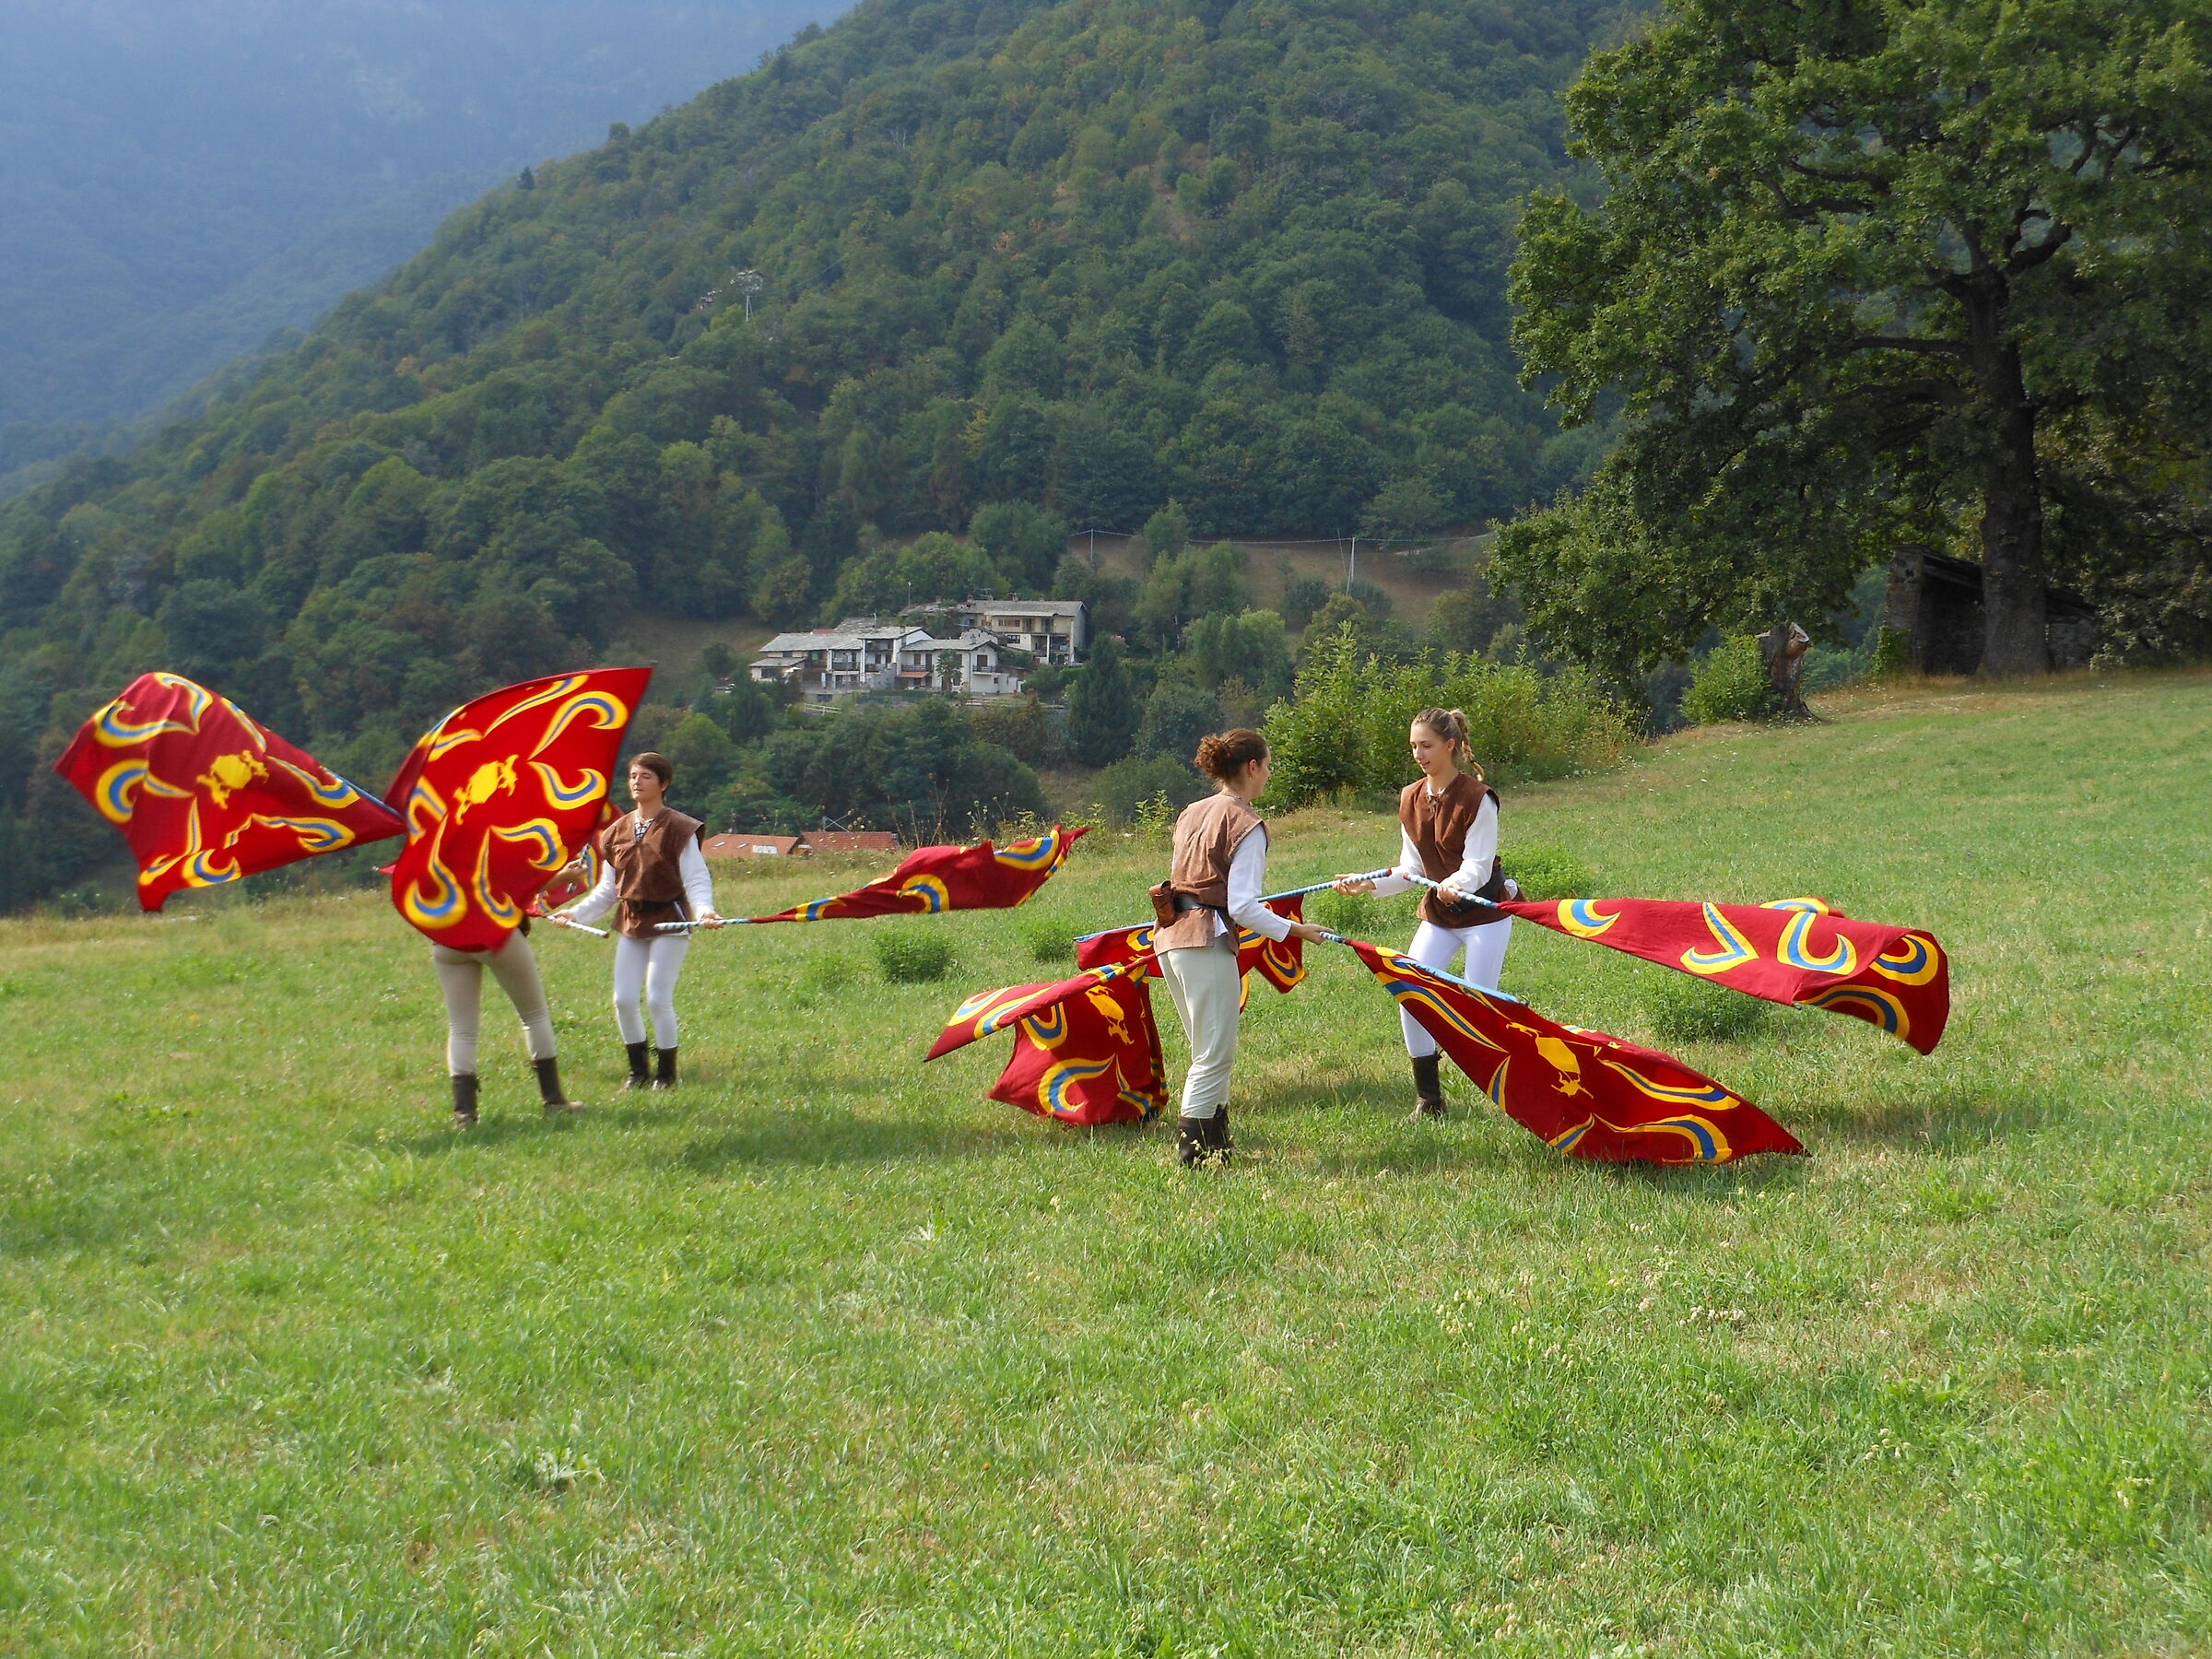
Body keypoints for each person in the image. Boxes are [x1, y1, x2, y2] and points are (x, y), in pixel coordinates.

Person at [1152, 728, 1329, 1167]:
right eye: (1267, 767)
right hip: (1205, 937)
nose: (1268, 775)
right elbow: (1244, 905)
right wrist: (1294, 931)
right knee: (1213, 1054)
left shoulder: (1192, 811)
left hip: (1171, 938)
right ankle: (1193, 1155)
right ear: (1251, 767)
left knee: (1207, 1048)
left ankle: (1218, 1144)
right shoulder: (1246, 823)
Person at [1334, 706, 1516, 1118]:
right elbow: (1411, 870)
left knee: (1479, 1003)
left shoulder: (1478, 799)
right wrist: (1368, 883)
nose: (1419, 754)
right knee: (1410, 993)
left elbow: (1478, 865)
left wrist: (1459, 883)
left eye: (1427, 745)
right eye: (1414, 746)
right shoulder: (1410, 798)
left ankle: (1509, 1093)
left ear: (1450, 746)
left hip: (1485, 915)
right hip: (1439, 914)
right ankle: (1429, 1100)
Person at [558, 751, 722, 1090]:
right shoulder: (616, 832)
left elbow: (695, 879)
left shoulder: (680, 827)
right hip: (631, 922)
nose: (637, 782)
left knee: (658, 997)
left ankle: (667, 1074)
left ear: (663, 784)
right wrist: (575, 913)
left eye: (646, 776)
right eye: (633, 776)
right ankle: (638, 1072)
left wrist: (705, 910)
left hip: (670, 921)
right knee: (623, 1000)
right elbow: (607, 892)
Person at [433, 919, 578, 1125]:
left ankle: (465, 1114)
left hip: (446, 937)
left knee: (461, 1029)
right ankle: (554, 1101)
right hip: (495, 930)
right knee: (534, 1016)